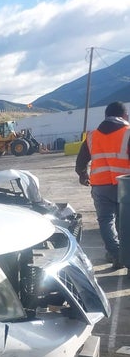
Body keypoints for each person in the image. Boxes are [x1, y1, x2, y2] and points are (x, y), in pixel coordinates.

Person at [75, 101, 130, 269]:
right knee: (125, 222)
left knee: (106, 221)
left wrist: (82, 174)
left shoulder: (92, 135)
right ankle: (125, 255)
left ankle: (115, 254)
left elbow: (81, 161)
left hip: (100, 186)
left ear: (106, 116)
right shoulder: (127, 133)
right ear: (124, 116)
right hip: (125, 185)